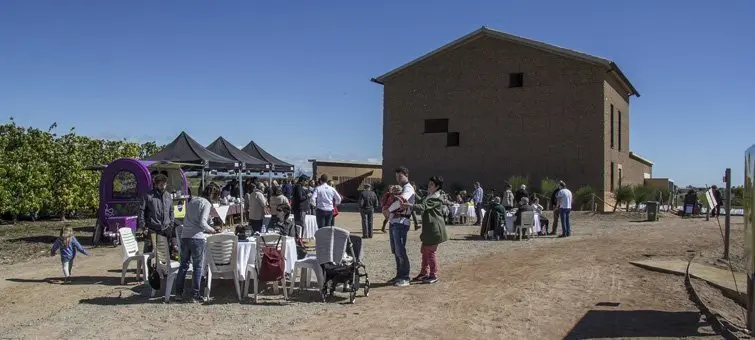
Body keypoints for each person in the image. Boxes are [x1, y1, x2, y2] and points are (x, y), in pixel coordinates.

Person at [175, 183, 221, 302]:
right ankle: (195, 294)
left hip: (185, 236)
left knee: (183, 266)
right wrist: (212, 230)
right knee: (197, 267)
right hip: (197, 237)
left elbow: (187, 218)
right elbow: (202, 223)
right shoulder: (206, 204)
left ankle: (178, 293)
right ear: (213, 195)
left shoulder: (193, 200)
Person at [407, 176, 449, 284]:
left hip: (434, 229)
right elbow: (421, 201)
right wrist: (414, 192)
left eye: (431, 184)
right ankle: (424, 273)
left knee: (430, 252)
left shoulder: (436, 197)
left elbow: (423, 206)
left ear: (437, 186)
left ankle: (433, 275)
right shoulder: (430, 195)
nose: (429, 185)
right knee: (425, 252)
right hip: (429, 228)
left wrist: (409, 205)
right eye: (429, 183)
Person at [388, 166, 415, 287]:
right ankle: (399, 275)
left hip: (401, 221)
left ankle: (404, 276)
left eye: (400, 176)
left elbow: (401, 201)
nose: (398, 178)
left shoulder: (408, 188)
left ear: (406, 174)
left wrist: (388, 210)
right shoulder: (401, 188)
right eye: (397, 176)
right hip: (395, 221)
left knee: (400, 250)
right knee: (396, 251)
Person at [138, 174, 174, 254]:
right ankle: (146, 266)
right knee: (148, 252)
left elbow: (171, 211)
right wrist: (143, 226)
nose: (163, 187)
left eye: (165, 184)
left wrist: (171, 224)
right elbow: (141, 211)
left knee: (164, 252)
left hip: (166, 229)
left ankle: (161, 266)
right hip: (151, 229)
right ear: (156, 184)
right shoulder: (148, 196)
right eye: (161, 185)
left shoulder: (168, 195)